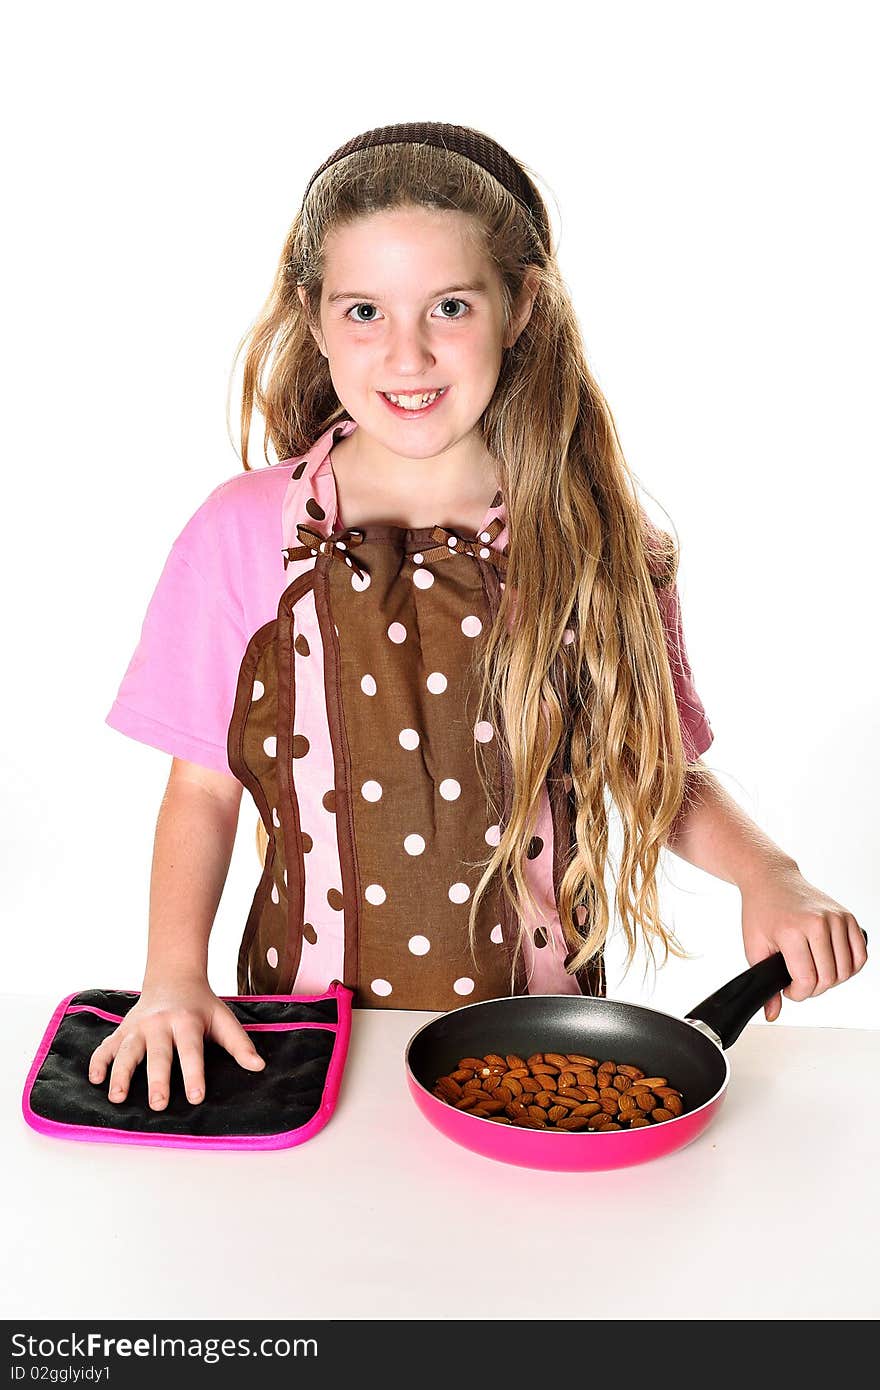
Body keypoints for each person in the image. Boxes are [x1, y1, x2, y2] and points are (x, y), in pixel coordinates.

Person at [90, 121, 866, 1114]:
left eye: (448, 306)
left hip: (534, 1051)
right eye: (363, 309)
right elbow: (202, 790)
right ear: (313, 316)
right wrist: (172, 981)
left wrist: (774, 875)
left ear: (521, 306)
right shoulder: (243, 532)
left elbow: (653, 767)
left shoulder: (597, 539)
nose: (405, 352)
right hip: (302, 1040)